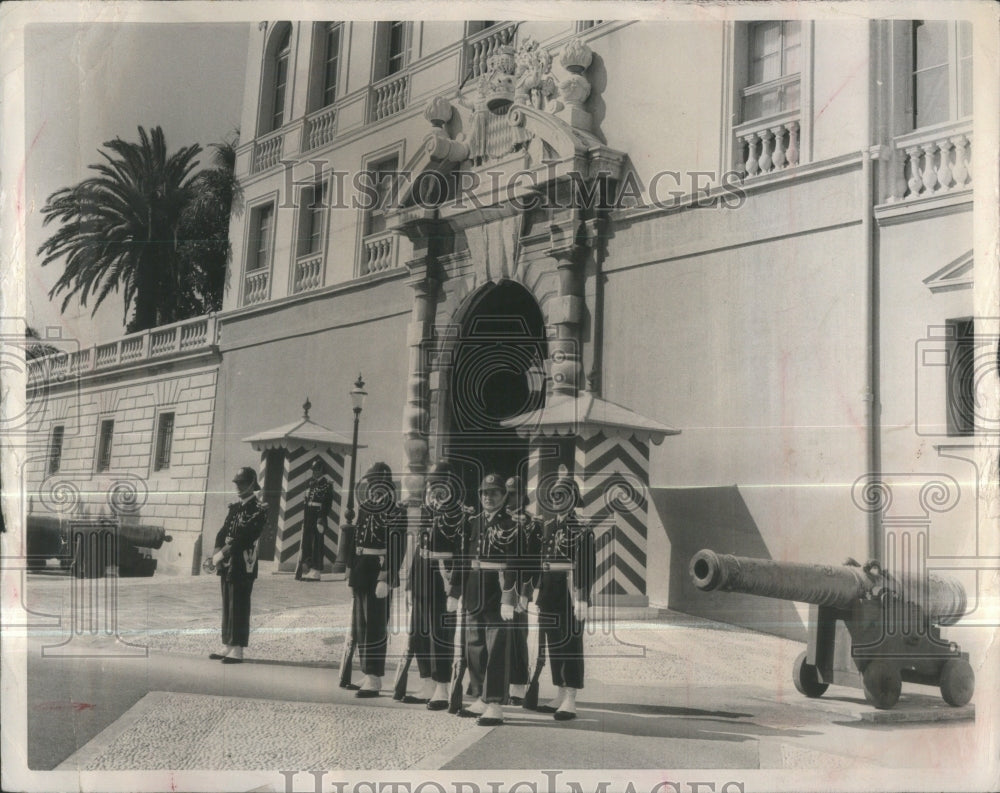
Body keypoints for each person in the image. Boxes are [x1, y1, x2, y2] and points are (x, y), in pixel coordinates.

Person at [447, 472, 524, 727]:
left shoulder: (512, 525)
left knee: (496, 650)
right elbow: (461, 557)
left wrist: (508, 598)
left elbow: (514, 564)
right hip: (473, 591)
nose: (488, 498)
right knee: (475, 648)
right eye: (484, 493)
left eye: (493, 493)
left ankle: (495, 704)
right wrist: (455, 591)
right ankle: (479, 696)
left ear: (504, 496)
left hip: (496, 592)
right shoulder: (473, 522)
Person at [404, 462, 469, 709]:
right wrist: (410, 584)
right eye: (431, 483)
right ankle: (427, 683)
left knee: (440, 635)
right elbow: (419, 550)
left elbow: (463, 555)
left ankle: (442, 686)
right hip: (422, 574)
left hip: (442, 578)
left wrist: (455, 590)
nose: (433, 487)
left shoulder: (461, 515)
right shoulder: (427, 510)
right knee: (419, 631)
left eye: (438, 482)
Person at [533, 472, 596, 720]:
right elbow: (542, 562)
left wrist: (581, 598)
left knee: (569, 646)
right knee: (554, 645)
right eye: (554, 496)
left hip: (569, 593)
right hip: (549, 593)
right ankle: (559, 691)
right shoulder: (548, 526)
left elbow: (586, 565)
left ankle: (570, 697)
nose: (557, 499)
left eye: (563, 495)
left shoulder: (581, 528)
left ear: (573, 498)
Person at [346, 462, 406, 697]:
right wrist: (350, 569)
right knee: (360, 625)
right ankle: (367, 671)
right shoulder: (366, 508)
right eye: (370, 482)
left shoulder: (396, 512)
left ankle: (375, 676)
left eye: (377, 482)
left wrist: (386, 577)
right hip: (362, 569)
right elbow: (356, 541)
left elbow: (396, 547)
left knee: (375, 626)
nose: (373, 486)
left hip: (378, 571)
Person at [208, 467, 268, 664]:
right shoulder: (235, 508)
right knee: (228, 602)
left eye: (241, 483)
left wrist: (222, 553)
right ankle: (228, 644)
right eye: (237, 483)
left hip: (243, 561)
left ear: (251, 485)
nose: (238, 487)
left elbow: (244, 538)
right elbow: (222, 532)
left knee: (239, 604)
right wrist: (216, 555)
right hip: (228, 561)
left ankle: (238, 648)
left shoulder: (258, 510)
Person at [504, 475, 542, 706]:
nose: (509, 498)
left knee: (517, 638)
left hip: (518, 587)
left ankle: (517, 685)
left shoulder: (532, 524)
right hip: (495, 587)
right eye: (506, 493)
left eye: (513, 494)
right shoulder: (495, 520)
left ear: (522, 495)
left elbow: (533, 562)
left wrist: (525, 594)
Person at [297, 458, 334, 581]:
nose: (314, 472)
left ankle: (316, 569)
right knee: (307, 542)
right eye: (313, 470)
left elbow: (327, 504)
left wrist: (321, 518)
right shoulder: (310, 484)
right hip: (309, 516)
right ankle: (307, 567)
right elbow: (306, 503)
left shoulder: (327, 485)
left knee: (317, 544)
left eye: (317, 470)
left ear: (322, 471)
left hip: (318, 516)